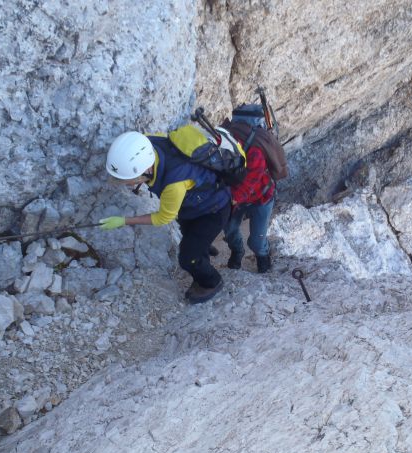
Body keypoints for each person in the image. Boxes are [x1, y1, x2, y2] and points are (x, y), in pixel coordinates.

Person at [99, 131, 231, 304]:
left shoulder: (174, 184)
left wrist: (124, 221)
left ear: (145, 170)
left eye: (130, 179)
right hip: (193, 206)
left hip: (213, 208)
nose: (128, 184)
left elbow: (163, 218)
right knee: (190, 235)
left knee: (187, 258)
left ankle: (211, 282)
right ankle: (203, 248)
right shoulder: (149, 146)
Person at [221, 105, 278, 273]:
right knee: (230, 230)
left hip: (261, 197)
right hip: (238, 196)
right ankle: (237, 252)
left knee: (257, 240)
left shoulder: (255, 150)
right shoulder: (225, 143)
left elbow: (249, 183)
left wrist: (227, 201)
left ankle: (263, 255)